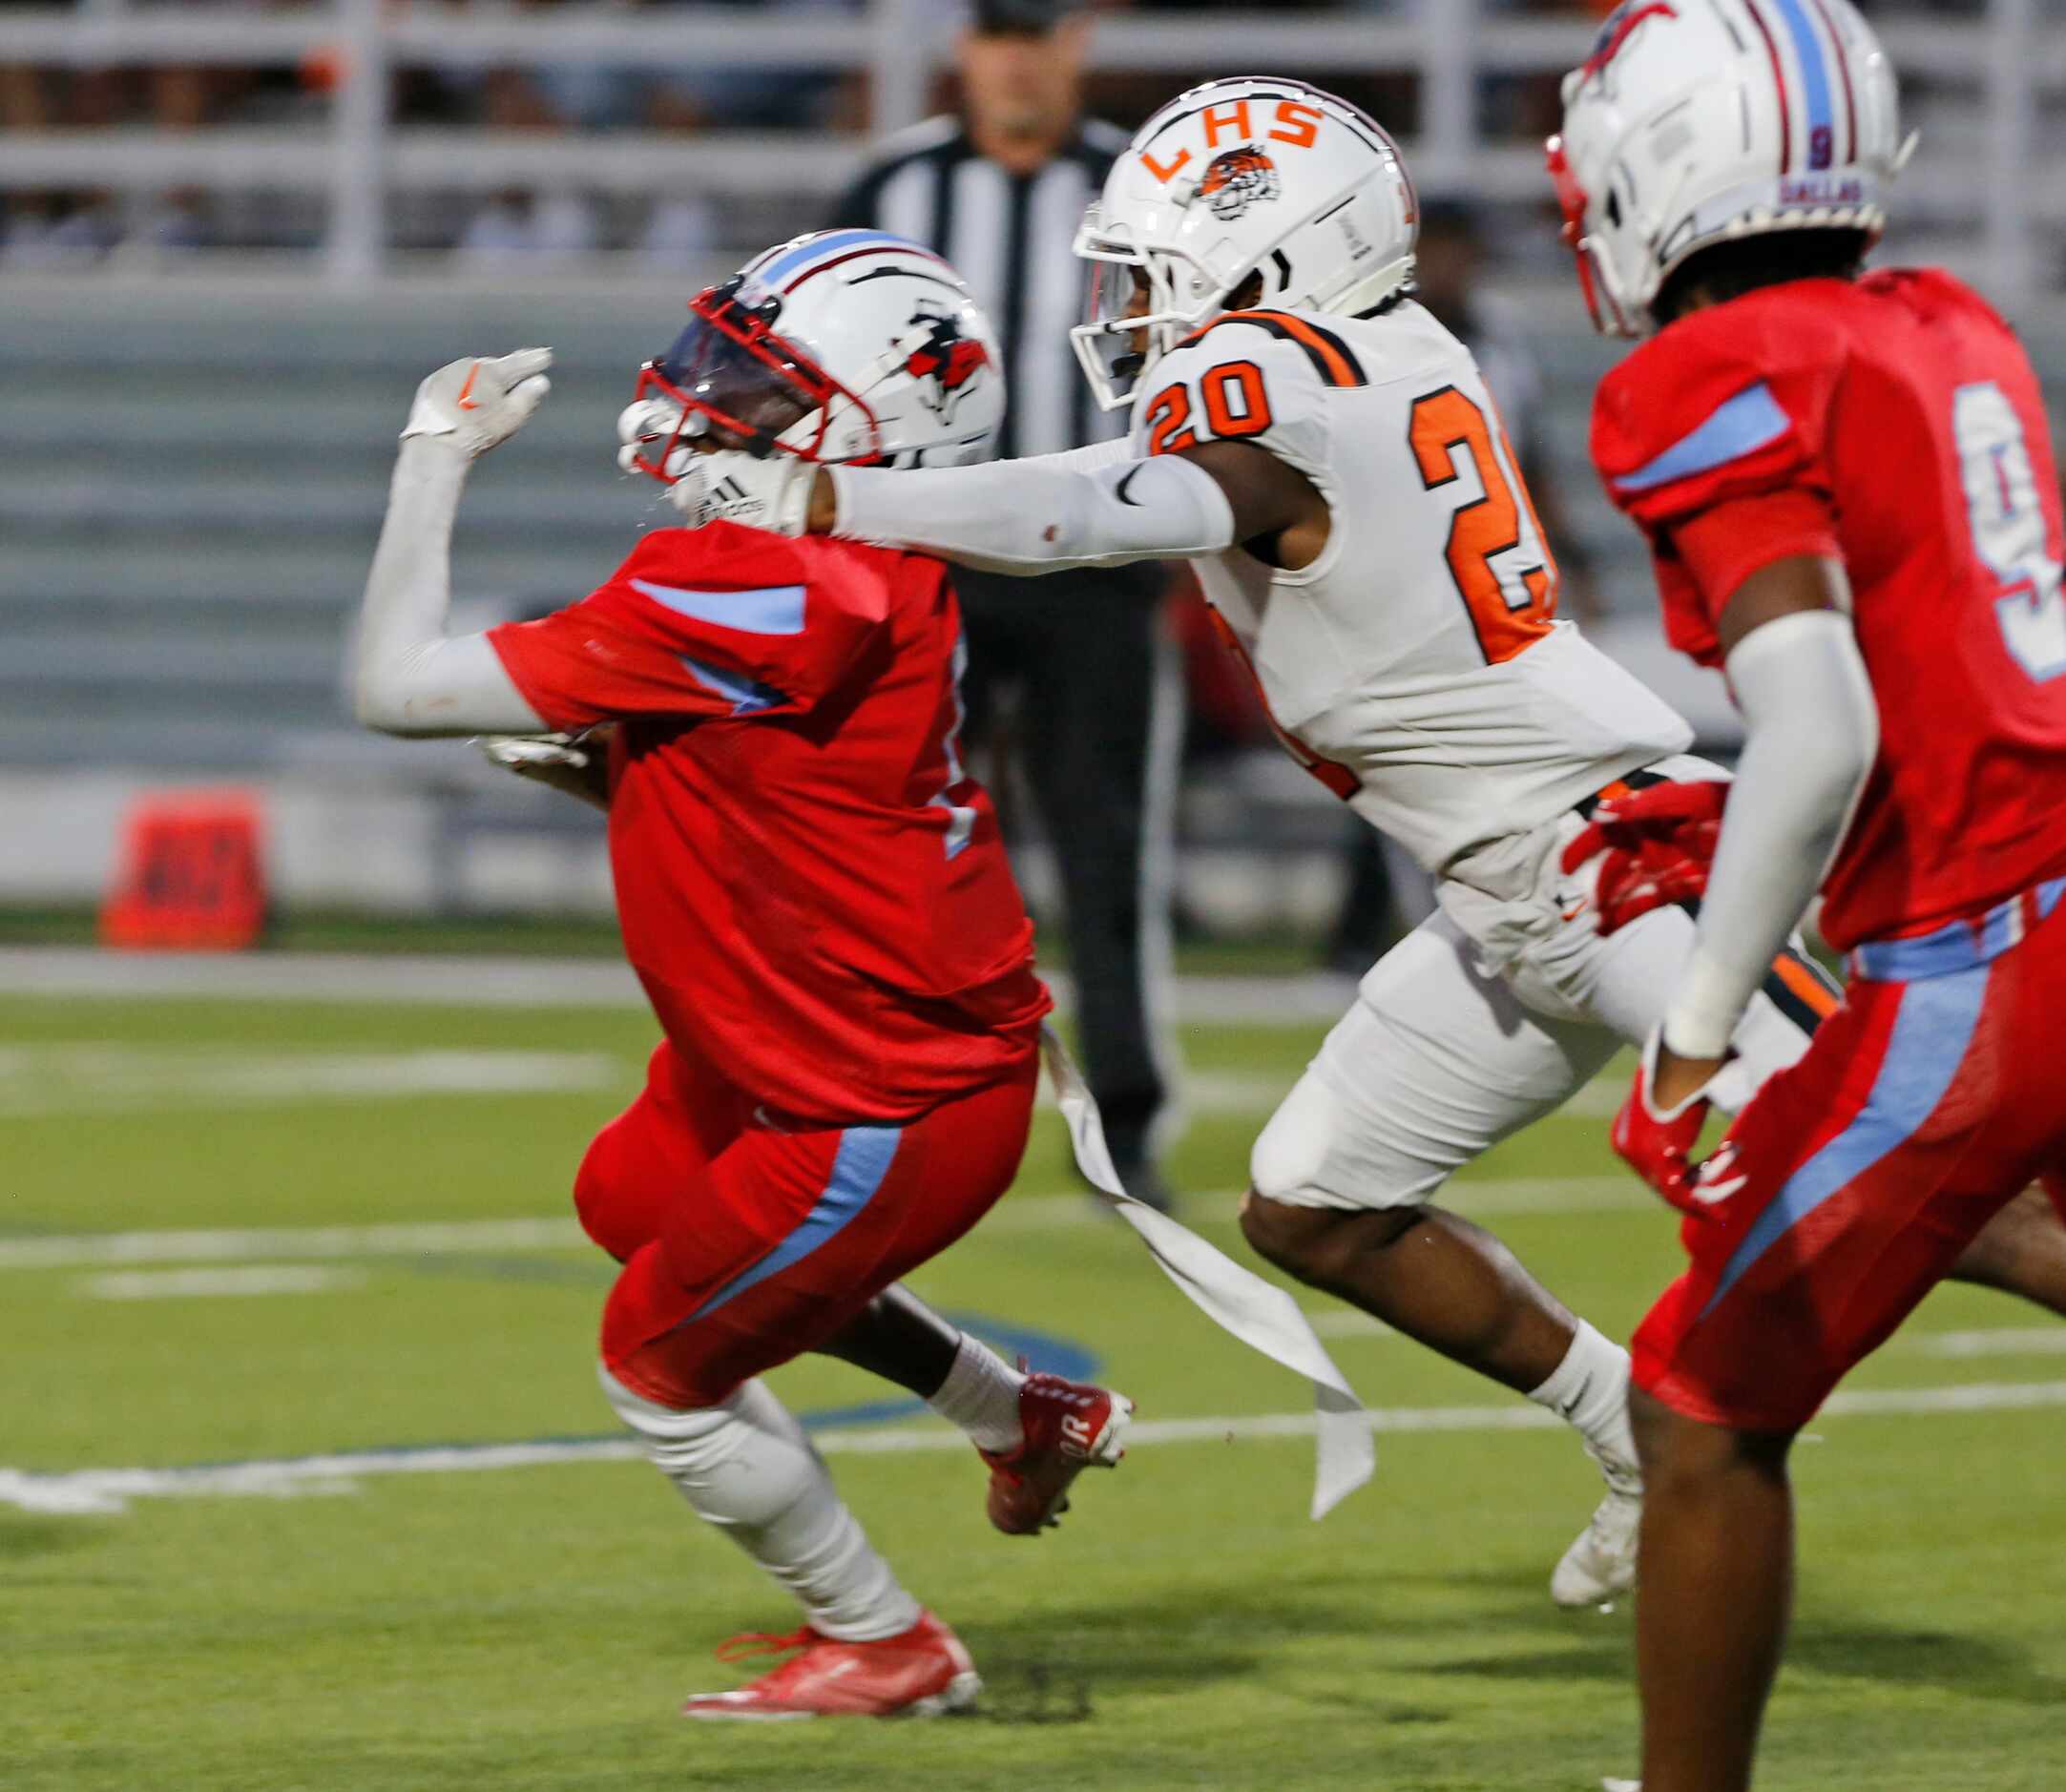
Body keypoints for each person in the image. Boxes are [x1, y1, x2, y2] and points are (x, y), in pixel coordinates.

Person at [668, 74, 2066, 1616]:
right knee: (1318, 1201)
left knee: (1942, 1200)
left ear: (1260, 260)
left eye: (1152, 272)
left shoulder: (1270, 373)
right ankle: (1620, 1432)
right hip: (1506, 886)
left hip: (1621, 862)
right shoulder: (1383, 348)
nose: (1127, 310)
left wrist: (836, 492)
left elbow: (1135, 499)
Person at [348, 233, 1136, 1719]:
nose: (703, 403)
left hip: (878, 1098)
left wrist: (431, 457)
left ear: (865, 432)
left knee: (656, 1361)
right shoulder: (841, 570)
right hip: (805, 1040)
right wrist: (628, 777)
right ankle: (1017, 1410)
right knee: (630, 1203)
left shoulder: (777, 585)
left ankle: (886, 1640)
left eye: (757, 392)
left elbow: (394, 688)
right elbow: (792, 805)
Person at [1551, 3, 2066, 1786]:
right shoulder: (1952, 323)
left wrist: (1693, 1032)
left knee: (1703, 1397)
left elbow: (1820, 722)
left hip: (1986, 951)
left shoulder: (1703, 374)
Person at [825, 0, 1182, 1208]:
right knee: (894, 836)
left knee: (1105, 844)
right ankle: (881, 1100)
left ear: (1076, 43)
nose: (1018, 60)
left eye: (1038, 32)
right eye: (997, 33)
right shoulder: (891, 186)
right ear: (964, 50)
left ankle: (1123, 1120)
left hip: (1096, 565)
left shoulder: (1142, 186)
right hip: (928, 561)